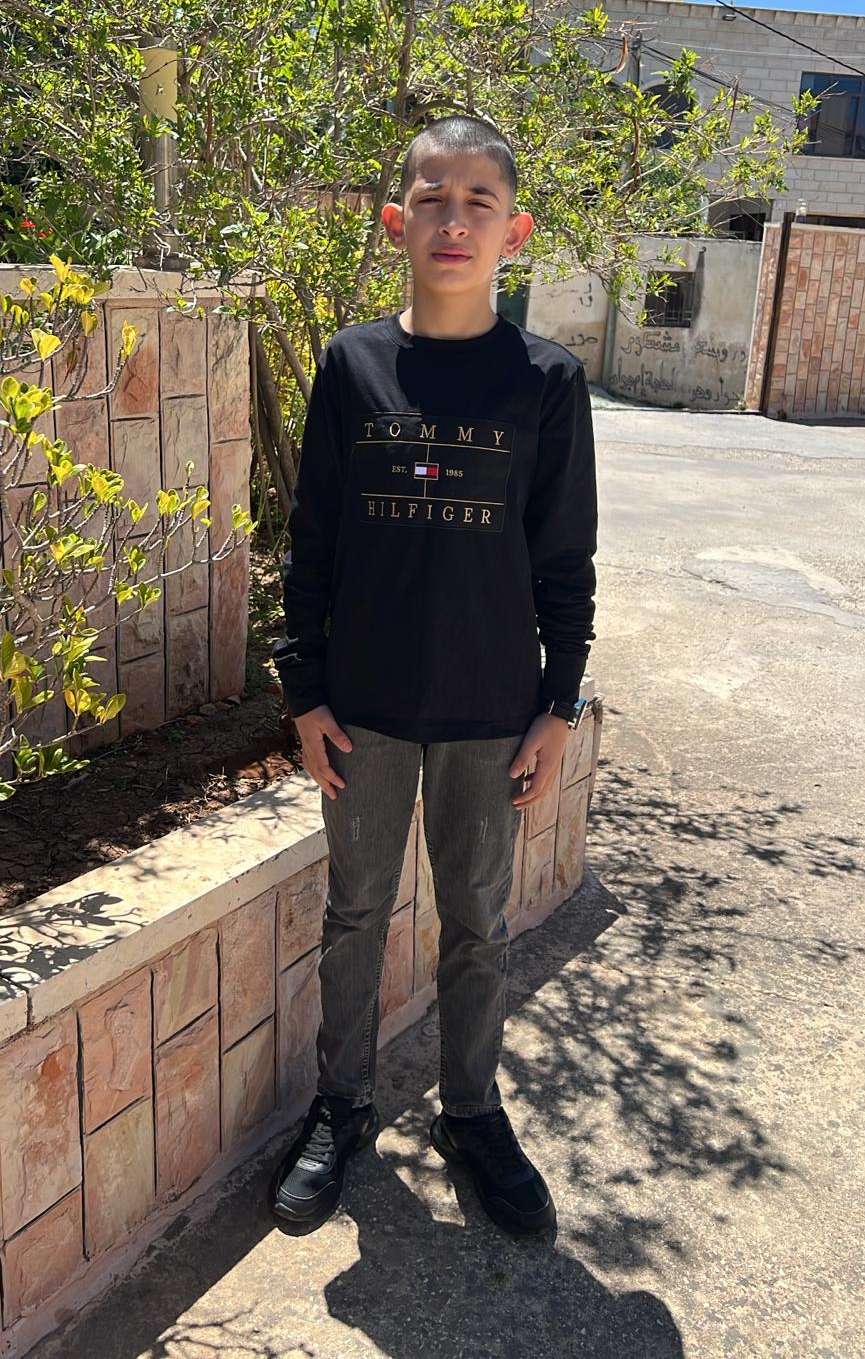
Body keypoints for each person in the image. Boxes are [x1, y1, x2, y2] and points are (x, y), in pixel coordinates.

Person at [269, 114, 598, 1238]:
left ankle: (472, 1113)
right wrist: (304, 691)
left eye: (479, 202)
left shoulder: (547, 380)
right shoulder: (351, 364)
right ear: (395, 220)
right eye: (433, 198)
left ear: (516, 231)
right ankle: (341, 1106)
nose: (454, 221)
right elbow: (313, 540)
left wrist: (559, 703)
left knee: (477, 919)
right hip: (362, 711)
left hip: (490, 713)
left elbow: (564, 554)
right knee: (355, 911)